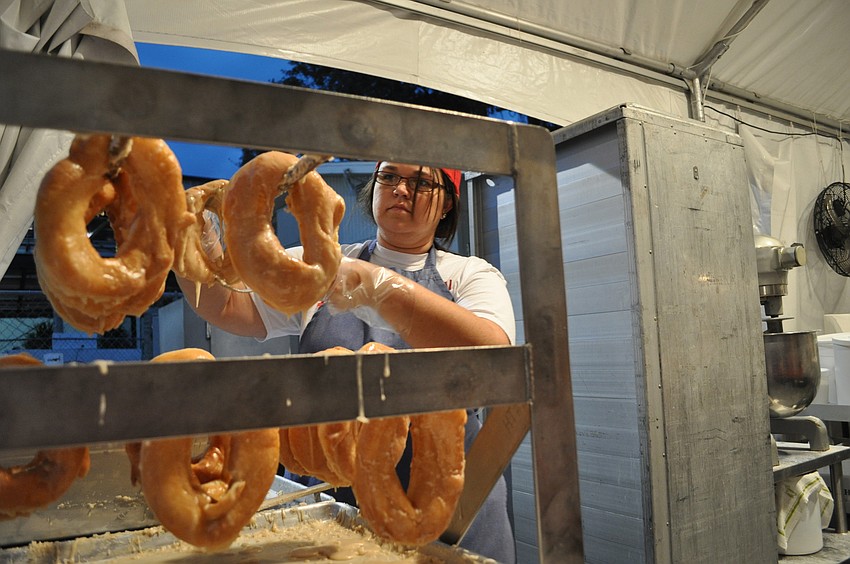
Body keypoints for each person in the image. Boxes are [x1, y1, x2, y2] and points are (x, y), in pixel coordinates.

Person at [177, 160, 517, 563]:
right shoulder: (319, 266)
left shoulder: (468, 275)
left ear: (447, 204)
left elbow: (494, 355)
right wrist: (197, 241)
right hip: (335, 507)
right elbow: (226, 304)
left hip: (450, 507)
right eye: (388, 177)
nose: (400, 189)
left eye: (421, 182)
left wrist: (384, 292)